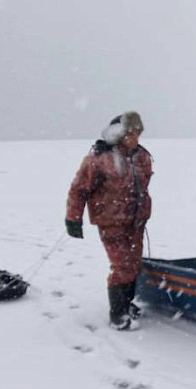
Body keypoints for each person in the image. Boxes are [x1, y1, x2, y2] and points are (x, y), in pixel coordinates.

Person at [65, 111, 153, 330]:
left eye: (138, 134)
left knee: (133, 265)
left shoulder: (142, 156)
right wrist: (73, 218)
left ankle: (127, 303)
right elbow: (78, 190)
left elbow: (144, 182)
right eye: (131, 134)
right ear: (120, 134)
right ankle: (118, 314)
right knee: (122, 266)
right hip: (111, 222)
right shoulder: (99, 158)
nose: (135, 138)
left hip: (136, 222)